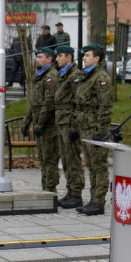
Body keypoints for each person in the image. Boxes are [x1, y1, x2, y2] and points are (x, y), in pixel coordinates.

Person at [74, 45, 113, 216]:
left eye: (88, 55)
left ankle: (98, 202)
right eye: (84, 55)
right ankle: (92, 199)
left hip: (95, 127)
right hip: (85, 126)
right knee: (90, 165)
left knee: (99, 166)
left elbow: (105, 106)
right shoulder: (85, 76)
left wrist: (101, 130)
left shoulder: (101, 77)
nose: (84, 58)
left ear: (97, 58)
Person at [24, 47, 60, 192]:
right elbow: (34, 103)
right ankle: (45, 187)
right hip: (39, 123)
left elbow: (49, 102)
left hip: (49, 125)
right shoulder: (39, 76)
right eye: (37, 57)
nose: (36, 60)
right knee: (42, 158)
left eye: (40, 57)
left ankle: (50, 189)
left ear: (49, 59)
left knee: (49, 158)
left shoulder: (51, 76)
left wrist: (40, 124)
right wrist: (27, 122)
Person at [53, 45, 85, 209]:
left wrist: (74, 126)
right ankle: (70, 191)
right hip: (61, 121)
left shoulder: (75, 75)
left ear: (69, 57)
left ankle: (76, 193)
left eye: (60, 56)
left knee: (73, 158)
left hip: (70, 122)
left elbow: (78, 103)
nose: (57, 59)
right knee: (65, 158)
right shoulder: (63, 74)